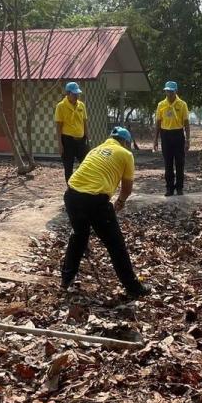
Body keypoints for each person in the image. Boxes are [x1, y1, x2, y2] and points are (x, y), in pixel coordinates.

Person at [61, 127, 150, 298]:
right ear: (125, 142)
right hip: (95, 200)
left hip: (71, 195)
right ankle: (133, 287)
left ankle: (66, 278)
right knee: (116, 244)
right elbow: (127, 187)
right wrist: (121, 202)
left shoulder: (95, 150)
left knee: (79, 236)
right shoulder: (125, 154)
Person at [152, 81, 190, 196]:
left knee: (180, 162)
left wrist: (188, 140)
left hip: (178, 134)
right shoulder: (161, 105)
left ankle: (179, 188)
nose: (168, 93)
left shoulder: (182, 104)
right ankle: (169, 188)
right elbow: (158, 123)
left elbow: (186, 123)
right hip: (165, 135)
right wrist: (155, 140)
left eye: (171, 91)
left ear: (175, 91)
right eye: (167, 91)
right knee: (168, 163)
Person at [55, 81, 88, 182]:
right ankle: (70, 188)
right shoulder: (60, 106)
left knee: (86, 163)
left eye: (78, 93)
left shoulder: (81, 105)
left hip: (81, 140)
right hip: (67, 141)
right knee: (68, 166)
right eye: (74, 94)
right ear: (68, 94)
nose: (77, 96)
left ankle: (83, 185)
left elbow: (85, 122)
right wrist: (60, 145)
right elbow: (58, 127)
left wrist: (87, 138)